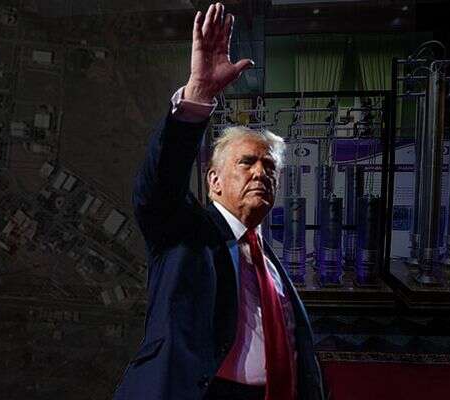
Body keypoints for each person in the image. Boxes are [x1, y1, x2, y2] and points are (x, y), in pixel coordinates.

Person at [113, 3, 324, 400]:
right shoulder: (185, 233)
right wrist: (198, 95)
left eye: (270, 167)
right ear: (213, 181)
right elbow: (158, 188)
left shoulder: (268, 261)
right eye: (247, 162)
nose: (260, 173)